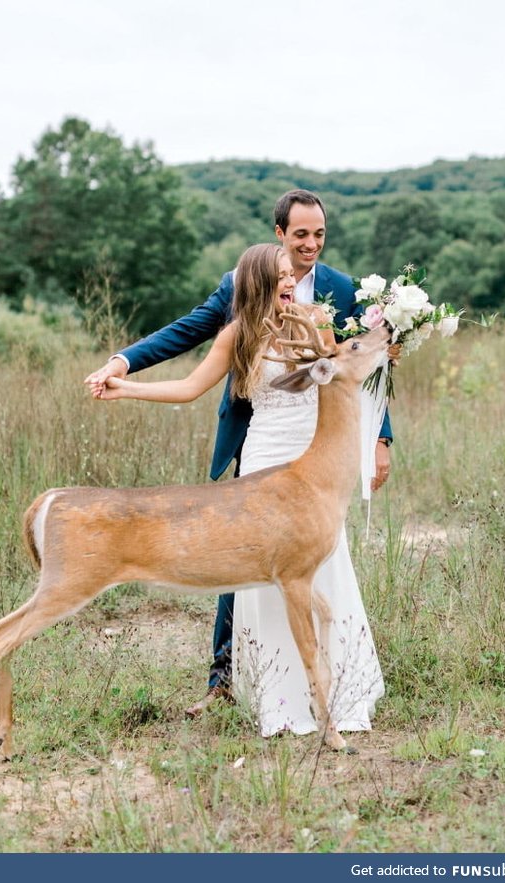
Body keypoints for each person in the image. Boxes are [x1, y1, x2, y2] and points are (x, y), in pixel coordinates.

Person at [85, 189, 393, 716]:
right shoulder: (237, 311)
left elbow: (353, 369)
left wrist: (380, 432)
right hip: (263, 446)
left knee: (325, 564)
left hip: (316, 449)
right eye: (300, 236)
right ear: (279, 237)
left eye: (318, 234)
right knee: (242, 564)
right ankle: (238, 683)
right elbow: (185, 356)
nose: (309, 248)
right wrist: (125, 371)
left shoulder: (330, 302)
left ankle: (342, 688)